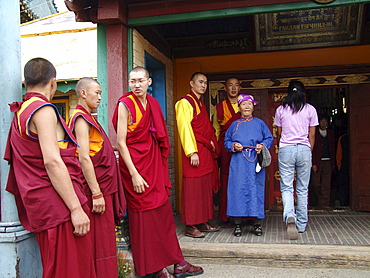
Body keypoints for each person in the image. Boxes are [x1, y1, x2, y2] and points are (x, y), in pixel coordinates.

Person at [4, 58, 96, 278]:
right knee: (70, 270)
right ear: (53, 83)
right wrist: (75, 208)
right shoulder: (42, 109)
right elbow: (52, 161)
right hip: (59, 205)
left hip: (44, 203)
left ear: (26, 82)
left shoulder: (21, 111)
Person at [112, 66, 203, 278]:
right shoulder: (124, 104)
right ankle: (153, 269)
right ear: (129, 83)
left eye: (141, 80)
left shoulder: (152, 103)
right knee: (144, 220)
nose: (137, 85)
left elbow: (159, 136)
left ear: (149, 82)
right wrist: (134, 174)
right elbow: (121, 142)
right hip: (135, 169)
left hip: (152, 167)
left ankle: (177, 262)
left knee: (163, 217)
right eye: (133, 81)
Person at [68, 78, 126, 278]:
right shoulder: (81, 118)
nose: (100, 97)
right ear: (83, 93)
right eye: (97, 92)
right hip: (96, 191)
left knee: (105, 241)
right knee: (100, 244)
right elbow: (84, 157)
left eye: (101, 93)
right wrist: (96, 193)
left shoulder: (88, 117)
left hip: (102, 188)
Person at [175, 72, 220, 238]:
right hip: (194, 152)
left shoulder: (200, 104)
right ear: (191, 83)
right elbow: (184, 128)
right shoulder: (184, 103)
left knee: (204, 188)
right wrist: (191, 151)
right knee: (193, 189)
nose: (203, 85)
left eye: (206, 83)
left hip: (204, 152)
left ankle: (202, 221)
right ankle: (190, 225)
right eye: (200, 82)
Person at [274, 80, 318, 240]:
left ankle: (289, 215)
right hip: (304, 148)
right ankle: (301, 224)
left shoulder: (280, 109)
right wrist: (308, 150)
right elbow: (312, 135)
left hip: (286, 148)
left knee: (286, 187)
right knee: (302, 188)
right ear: (303, 93)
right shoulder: (310, 109)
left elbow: (279, 133)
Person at [224, 94, 273, 237]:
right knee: (237, 190)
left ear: (253, 106)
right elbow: (226, 141)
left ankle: (257, 224)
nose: (246, 107)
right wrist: (234, 145)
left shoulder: (260, 123)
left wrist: (261, 146)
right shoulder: (234, 124)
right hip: (238, 161)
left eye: (249, 104)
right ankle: (237, 224)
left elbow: (269, 137)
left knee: (256, 189)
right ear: (239, 107)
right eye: (243, 104)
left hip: (255, 160)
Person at [213, 77, 241, 226]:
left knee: (242, 180)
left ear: (240, 88)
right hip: (226, 148)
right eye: (230, 85)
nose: (233, 88)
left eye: (236, 85)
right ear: (225, 88)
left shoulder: (245, 104)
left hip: (243, 149)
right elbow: (216, 130)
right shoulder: (219, 107)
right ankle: (226, 215)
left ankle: (244, 215)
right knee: (227, 180)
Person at [310, 114, 335, 209]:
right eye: (322, 121)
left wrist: (334, 163)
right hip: (317, 161)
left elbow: (333, 148)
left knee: (326, 184)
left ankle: (324, 204)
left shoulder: (330, 133)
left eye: (325, 121)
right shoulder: (314, 133)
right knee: (315, 183)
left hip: (328, 161)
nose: (323, 123)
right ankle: (318, 201)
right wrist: (313, 163)